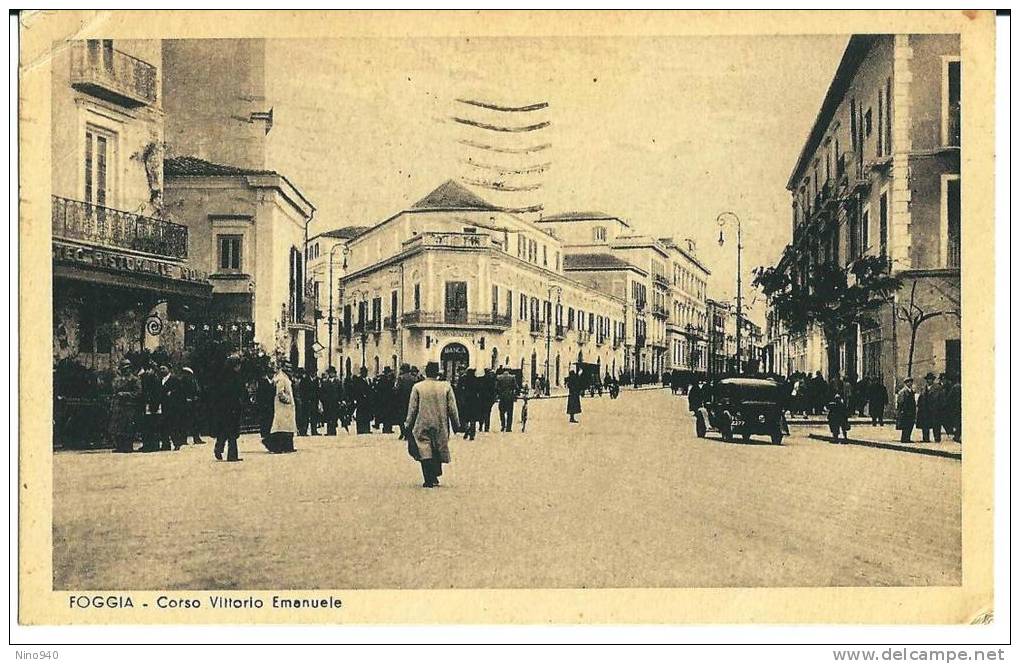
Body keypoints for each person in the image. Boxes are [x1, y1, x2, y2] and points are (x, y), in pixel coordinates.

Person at [404, 361, 460, 488]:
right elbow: (452, 407)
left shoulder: (418, 387)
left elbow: (412, 408)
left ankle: (428, 478)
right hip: (440, 423)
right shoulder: (446, 387)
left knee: (424, 448)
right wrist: (456, 424)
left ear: (426, 372)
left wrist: (408, 424)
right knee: (437, 447)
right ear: (437, 373)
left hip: (422, 422)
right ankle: (434, 475)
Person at [212, 355, 247, 462]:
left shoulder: (224, 376)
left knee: (225, 431)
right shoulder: (232, 378)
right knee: (231, 432)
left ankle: (219, 448)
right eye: (238, 365)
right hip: (230, 407)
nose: (239, 367)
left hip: (227, 408)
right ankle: (232, 455)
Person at [108, 358, 140, 453]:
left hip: (129, 406)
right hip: (118, 406)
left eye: (127, 368)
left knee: (128, 426)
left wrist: (125, 394)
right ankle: (120, 446)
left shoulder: (135, 379)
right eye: (123, 368)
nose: (125, 370)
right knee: (117, 426)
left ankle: (128, 446)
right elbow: (113, 391)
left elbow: (138, 393)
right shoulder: (117, 380)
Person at [270, 362, 298, 453]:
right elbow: (280, 393)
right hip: (283, 406)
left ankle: (287, 446)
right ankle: (279, 446)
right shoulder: (282, 378)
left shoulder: (285, 377)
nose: (290, 369)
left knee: (287, 427)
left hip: (286, 407)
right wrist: (288, 400)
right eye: (288, 367)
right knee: (282, 427)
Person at [158, 364, 186, 450]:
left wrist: (172, 393)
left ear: (168, 369)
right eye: (160, 369)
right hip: (163, 406)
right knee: (164, 425)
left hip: (173, 407)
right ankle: (165, 444)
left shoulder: (175, 379)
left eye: (163, 368)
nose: (161, 370)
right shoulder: (160, 380)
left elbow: (181, 392)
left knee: (174, 425)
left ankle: (177, 443)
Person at [138, 362, 162, 453]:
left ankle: (151, 445)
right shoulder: (152, 377)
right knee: (149, 425)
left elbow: (155, 393)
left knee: (151, 425)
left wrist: (153, 404)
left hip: (152, 404)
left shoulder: (152, 378)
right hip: (150, 404)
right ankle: (150, 445)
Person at [180, 366, 206, 444]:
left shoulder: (192, 380)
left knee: (193, 421)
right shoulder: (188, 381)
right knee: (190, 421)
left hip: (193, 403)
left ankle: (193, 438)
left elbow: (197, 391)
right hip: (189, 403)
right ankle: (192, 438)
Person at [917, 372, 943, 443]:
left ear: (933, 380)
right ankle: (926, 439)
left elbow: (941, 399)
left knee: (936, 425)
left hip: (934, 410)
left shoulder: (938, 388)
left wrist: (939, 408)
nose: (929, 381)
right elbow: (920, 398)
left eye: (931, 379)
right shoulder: (923, 388)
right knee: (925, 425)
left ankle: (937, 439)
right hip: (925, 410)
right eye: (928, 379)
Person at [254, 367, 276, 452]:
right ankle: (266, 441)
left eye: (273, 373)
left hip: (271, 407)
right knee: (265, 424)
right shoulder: (263, 382)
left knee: (270, 424)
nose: (272, 375)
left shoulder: (272, 383)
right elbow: (260, 396)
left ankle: (269, 442)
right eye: (271, 373)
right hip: (265, 407)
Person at [456, 368, 479, 440]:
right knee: (473, 418)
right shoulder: (476, 379)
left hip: (465, 400)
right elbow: (479, 390)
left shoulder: (463, 379)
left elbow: (458, 389)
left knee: (465, 417)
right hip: (474, 401)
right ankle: (472, 433)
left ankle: (467, 430)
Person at [395, 364, 416, 440]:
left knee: (401, 418)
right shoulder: (413, 378)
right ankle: (409, 433)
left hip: (402, 400)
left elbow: (397, 389)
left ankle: (403, 432)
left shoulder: (401, 378)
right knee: (410, 417)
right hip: (411, 400)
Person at [374, 366, 397, 434]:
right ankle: (387, 428)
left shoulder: (383, 379)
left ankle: (387, 428)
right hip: (386, 400)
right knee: (387, 414)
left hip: (384, 400)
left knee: (386, 414)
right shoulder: (386, 379)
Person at [351, 366, 373, 434]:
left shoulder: (368, 380)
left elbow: (370, 389)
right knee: (360, 415)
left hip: (367, 401)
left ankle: (367, 429)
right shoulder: (358, 380)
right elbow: (355, 390)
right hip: (360, 400)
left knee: (367, 415)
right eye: (364, 372)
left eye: (366, 372)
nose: (365, 374)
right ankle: (360, 429)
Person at [495, 367, 518, 432]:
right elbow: (516, 387)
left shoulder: (499, 377)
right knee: (510, 413)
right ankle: (508, 428)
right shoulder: (512, 377)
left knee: (501, 412)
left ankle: (503, 425)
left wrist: (498, 394)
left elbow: (496, 387)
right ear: (509, 370)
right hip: (510, 397)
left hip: (502, 397)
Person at [895, 377, 917, 443]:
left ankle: (907, 438)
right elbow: (901, 402)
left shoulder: (911, 391)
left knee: (910, 425)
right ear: (906, 383)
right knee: (906, 425)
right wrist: (903, 411)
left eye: (911, 382)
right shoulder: (903, 391)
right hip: (905, 412)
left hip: (911, 412)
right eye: (909, 382)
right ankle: (904, 438)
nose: (910, 383)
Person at [479, 368, 497, 432]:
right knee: (488, 413)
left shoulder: (481, 379)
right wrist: (493, 398)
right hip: (489, 399)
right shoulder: (491, 380)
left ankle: (481, 426)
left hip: (482, 398)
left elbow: (479, 389)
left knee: (481, 412)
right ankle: (486, 427)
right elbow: (494, 390)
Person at [946, 374, 962, 442]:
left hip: (956, 408)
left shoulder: (955, 387)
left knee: (957, 422)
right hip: (959, 407)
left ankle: (957, 436)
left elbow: (949, 398)